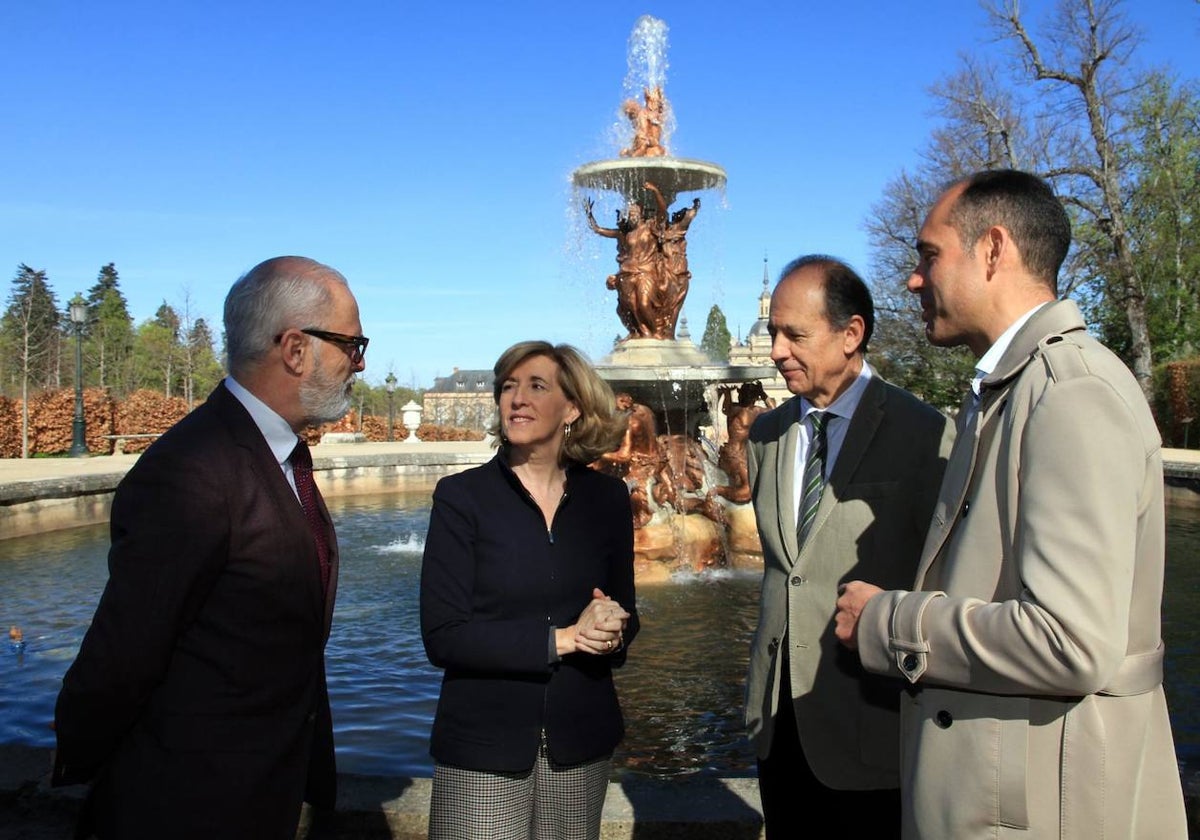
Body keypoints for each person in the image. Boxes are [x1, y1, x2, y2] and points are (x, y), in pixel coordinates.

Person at [834, 170, 1188, 838]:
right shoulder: (1014, 389)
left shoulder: (1069, 394)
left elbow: (1071, 642)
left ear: (993, 250)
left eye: (929, 255)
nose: (913, 279)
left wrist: (888, 622)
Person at [51, 256, 366, 840]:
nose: (360, 364)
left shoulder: (280, 456)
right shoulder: (192, 471)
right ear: (295, 349)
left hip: (262, 792)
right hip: (188, 804)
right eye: (352, 344)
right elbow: (124, 655)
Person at [744, 256, 954, 839]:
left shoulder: (925, 434)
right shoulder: (766, 435)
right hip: (778, 722)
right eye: (772, 334)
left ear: (851, 334)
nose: (776, 352)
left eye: (794, 335)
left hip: (874, 720)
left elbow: (947, 577)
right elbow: (785, 571)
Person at [420, 340, 638, 840]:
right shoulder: (461, 499)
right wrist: (563, 639)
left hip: (581, 743)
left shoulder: (606, 499)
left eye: (536, 386)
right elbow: (444, 636)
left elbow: (626, 610)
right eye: (508, 387)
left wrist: (612, 629)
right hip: (484, 747)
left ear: (573, 408)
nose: (516, 399)